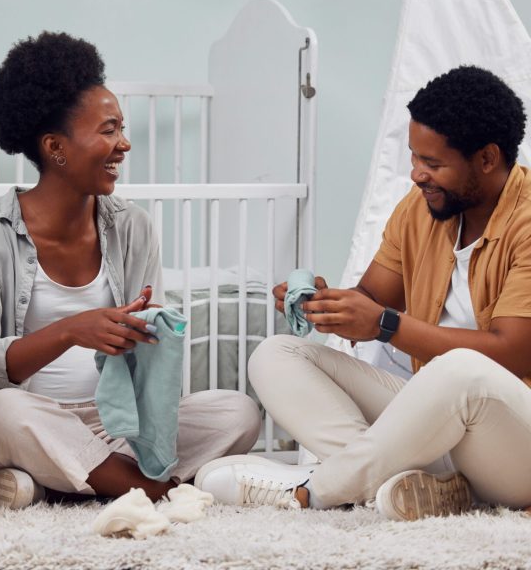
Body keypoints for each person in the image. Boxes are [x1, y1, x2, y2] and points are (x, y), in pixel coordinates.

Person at [195, 65, 531, 520]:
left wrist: (385, 325)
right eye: (414, 158)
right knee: (276, 354)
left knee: (461, 370)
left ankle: (313, 491)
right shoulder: (421, 209)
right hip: (439, 429)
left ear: (487, 158)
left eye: (433, 164)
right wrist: (328, 305)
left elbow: (512, 353)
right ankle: (403, 483)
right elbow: (373, 296)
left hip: (514, 441)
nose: (417, 175)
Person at [0, 31, 260, 509]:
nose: (124, 144)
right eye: (109, 130)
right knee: (2, 413)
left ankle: (52, 483)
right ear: (55, 146)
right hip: (32, 418)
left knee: (237, 412)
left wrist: (151, 333)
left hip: (115, 423)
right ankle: (155, 489)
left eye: (121, 129)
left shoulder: (133, 227)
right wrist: (71, 330)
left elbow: (153, 363)